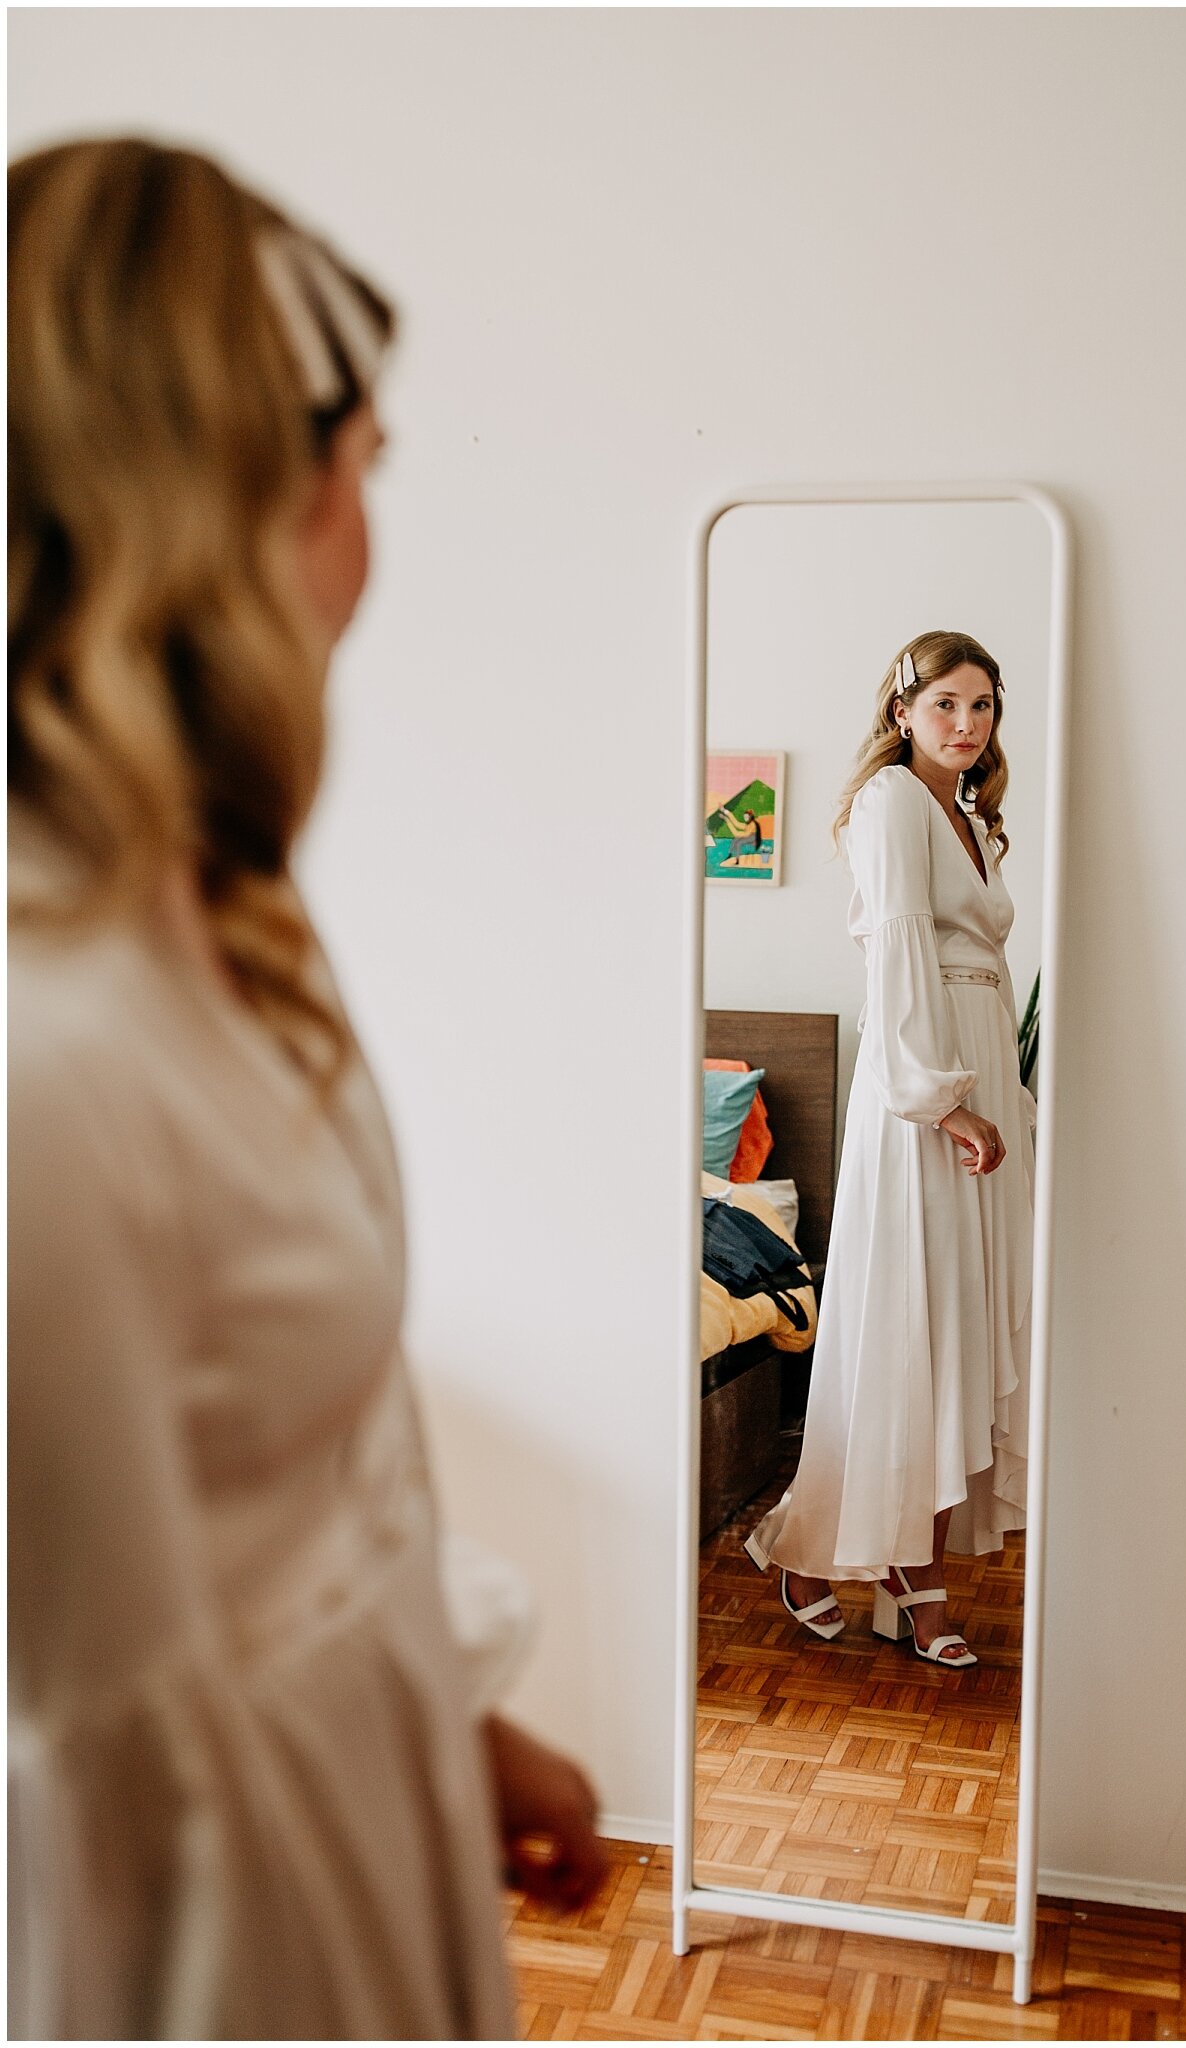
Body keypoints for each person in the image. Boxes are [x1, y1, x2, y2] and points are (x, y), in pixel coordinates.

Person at [7, 137, 604, 2040]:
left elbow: (305, 1482)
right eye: (367, 467)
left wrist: (448, 1720)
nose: (375, 528)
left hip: (358, 1830)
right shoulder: (48, 1052)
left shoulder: (222, 903)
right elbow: (80, 1767)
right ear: (248, 496)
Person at [744, 632, 1035, 1666]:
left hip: (978, 1073)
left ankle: (897, 1575)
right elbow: (898, 955)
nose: (966, 724)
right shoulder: (889, 804)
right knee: (910, 1324)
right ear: (903, 710)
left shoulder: (964, 815)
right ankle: (854, 1566)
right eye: (947, 703)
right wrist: (941, 1102)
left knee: (952, 1327)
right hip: (924, 1093)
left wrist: (999, 1096)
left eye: (983, 706)